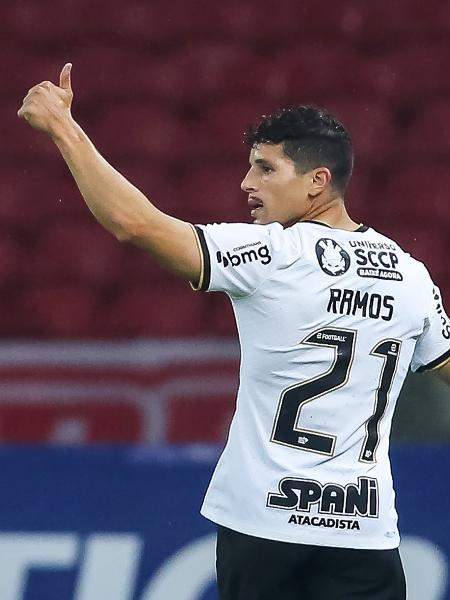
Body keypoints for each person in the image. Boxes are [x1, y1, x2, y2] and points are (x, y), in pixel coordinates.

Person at [18, 64, 450, 600]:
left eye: (266, 169)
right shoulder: (411, 274)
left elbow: (136, 224)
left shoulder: (275, 254)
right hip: (363, 534)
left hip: (263, 528)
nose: (247, 184)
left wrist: (63, 126)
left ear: (318, 181)